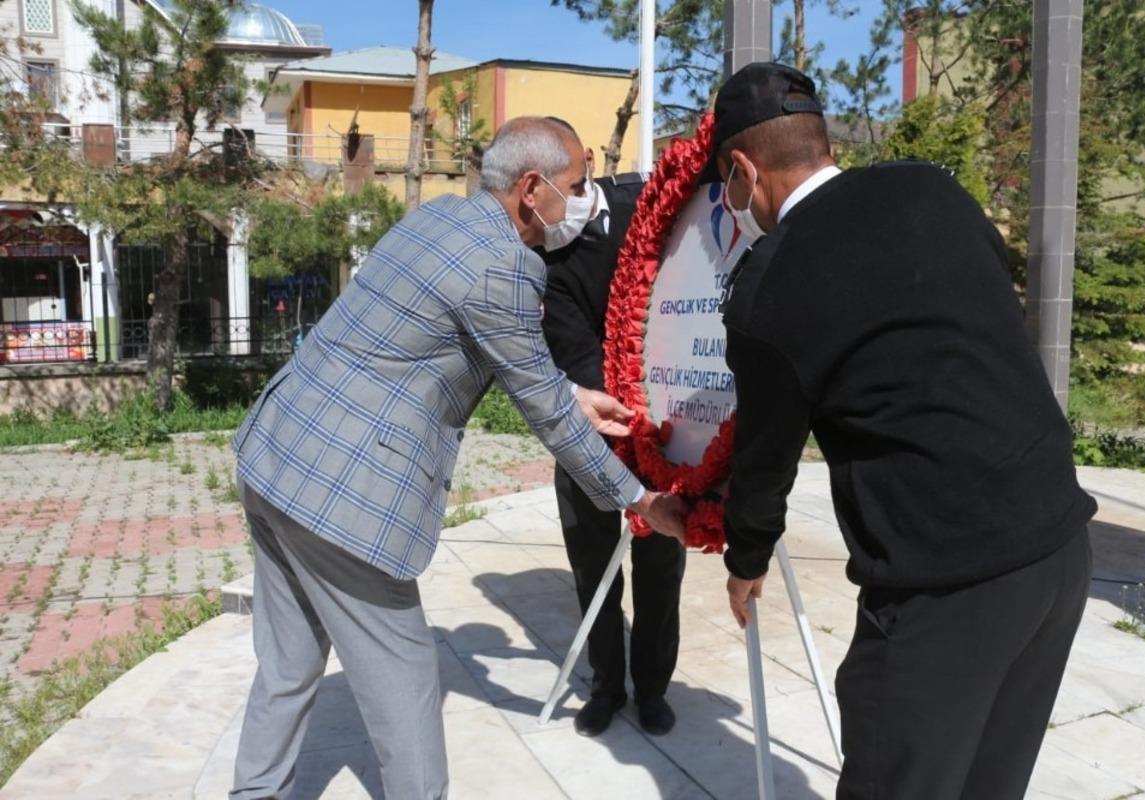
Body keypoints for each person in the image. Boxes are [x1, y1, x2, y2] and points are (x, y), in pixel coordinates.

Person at [228, 116, 686, 800]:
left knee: (287, 668)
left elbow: (442, 338)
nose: (587, 199)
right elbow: (545, 412)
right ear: (532, 190)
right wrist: (640, 500)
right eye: (577, 184)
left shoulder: (437, 219)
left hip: (275, 457)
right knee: (408, 683)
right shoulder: (508, 263)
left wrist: (570, 393)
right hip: (345, 495)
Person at [705, 63, 1097, 800]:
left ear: (742, 169)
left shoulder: (771, 282)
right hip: (1058, 546)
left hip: (945, 583)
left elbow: (767, 458)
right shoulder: (933, 190)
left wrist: (745, 555)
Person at [540, 137, 686, 738]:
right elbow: (577, 357)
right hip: (590, 432)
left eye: (569, 184)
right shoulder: (541, 258)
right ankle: (607, 684)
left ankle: (652, 687)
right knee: (592, 565)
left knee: (660, 565)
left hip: (664, 431)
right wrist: (626, 419)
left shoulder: (647, 204)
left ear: (587, 169)